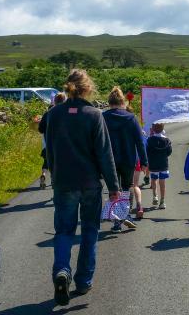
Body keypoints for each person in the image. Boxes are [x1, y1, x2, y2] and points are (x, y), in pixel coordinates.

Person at [45, 69, 120, 305]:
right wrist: (114, 186)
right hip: (89, 183)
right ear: (87, 87)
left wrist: (55, 177)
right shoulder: (94, 114)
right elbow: (104, 154)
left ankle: (61, 270)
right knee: (89, 230)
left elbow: (50, 151)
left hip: (64, 182)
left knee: (64, 231)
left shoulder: (54, 114)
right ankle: (84, 281)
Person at [102, 87, 149, 231]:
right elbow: (139, 141)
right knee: (127, 187)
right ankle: (126, 215)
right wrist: (144, 161)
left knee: (113, 188)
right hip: (129, 158)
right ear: (122, 101)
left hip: (109, 160)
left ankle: (117, 221)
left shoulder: (103, 117)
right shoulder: (130, 118)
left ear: (109, 102)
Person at [38, 92, 67, 189]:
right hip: (63, 145)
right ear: (64, 101)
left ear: (54, 101)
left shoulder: (48, 113)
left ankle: (52, 178)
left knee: (49, 162)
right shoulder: (67, 113)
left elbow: (40, 129)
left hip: (49, 144)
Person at [146, 123, 172, 209]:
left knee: (153, 180)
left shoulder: (149, 140)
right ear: (163, 129)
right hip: (163, 164)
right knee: (162, 182)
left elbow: (147, 151)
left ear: (153, 129)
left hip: (153, 163)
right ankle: (162, 201)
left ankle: (155, 195)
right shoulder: (167, 140)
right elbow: (169, 152)